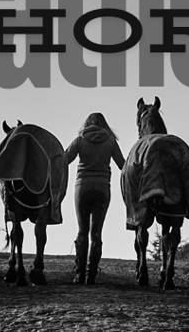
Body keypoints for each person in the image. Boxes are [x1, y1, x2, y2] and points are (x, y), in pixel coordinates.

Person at [65, 113, 126, 285]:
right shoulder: (111, 142)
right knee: (96, 233)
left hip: (82, 188)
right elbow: (123, 165)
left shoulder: (79, 140)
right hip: (102, 188)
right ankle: (91, 275)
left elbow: (64, 159)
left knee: (82, 231)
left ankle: (79, 275)